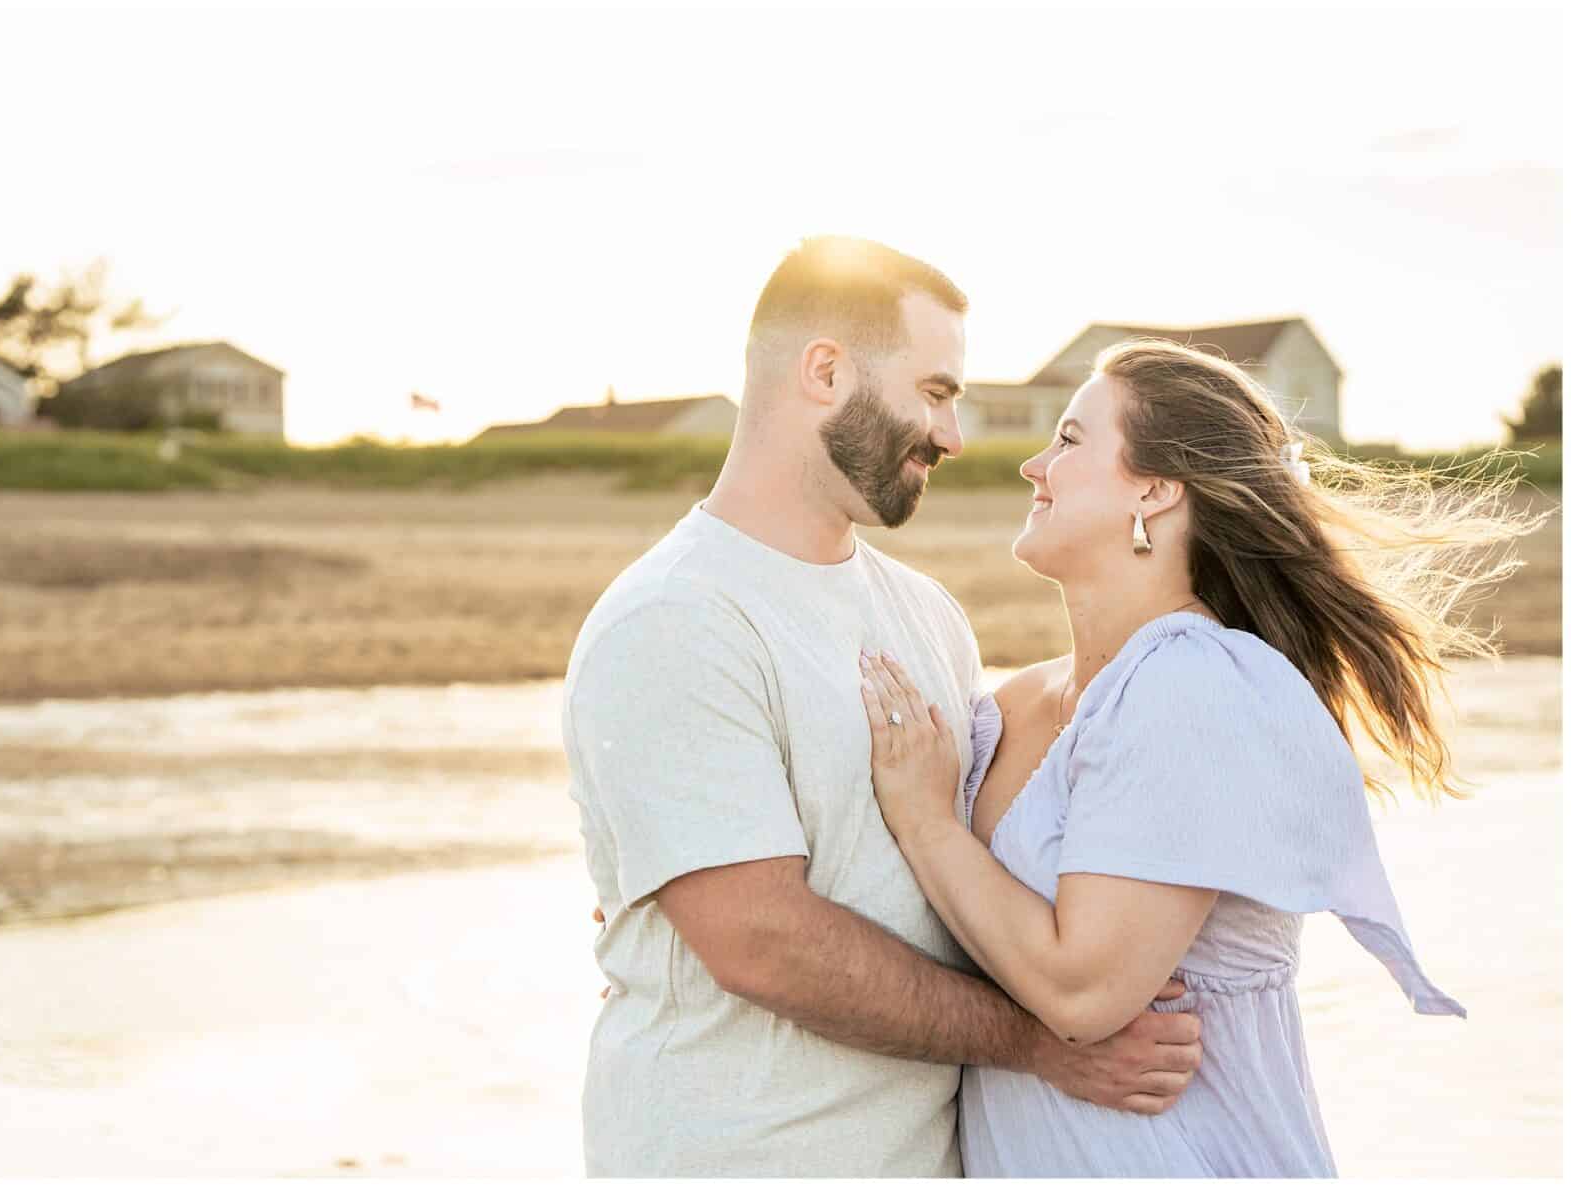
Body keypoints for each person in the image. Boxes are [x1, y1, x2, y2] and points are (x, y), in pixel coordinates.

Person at [564, 236, 1203, 1177]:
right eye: (936, 392)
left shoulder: (928, 616)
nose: (953, 436)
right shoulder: (675, 619)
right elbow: (763, 942)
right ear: (825, 371)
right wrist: (1040, 1041)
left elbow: (974, 859)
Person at [860, 338, 1533, 1175]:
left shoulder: (1194, 685)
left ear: (1154, 486)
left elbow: (1082, 992)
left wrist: (926, 822)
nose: (1035, 466)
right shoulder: (1007, 705)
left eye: (1069, 440)